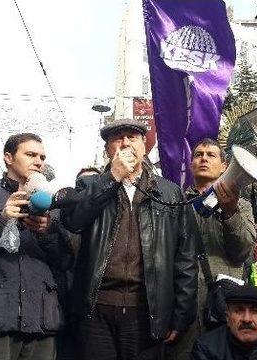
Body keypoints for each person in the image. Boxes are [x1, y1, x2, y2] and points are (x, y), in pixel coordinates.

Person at [62, 119, 198, 360]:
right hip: (96, 309)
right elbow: (74, 221)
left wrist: (180, 316)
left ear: (144, 146)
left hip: (147, 310)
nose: (125, 143)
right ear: (107, 151)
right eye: (117, 138)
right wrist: (112, 177)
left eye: (132, 137)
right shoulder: (89, 185)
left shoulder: (169, 192)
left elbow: (185, 258)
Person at [0, 133, 73, 360]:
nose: (38, 161)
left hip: (41, 323)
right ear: (8, 158)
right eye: (30, 154)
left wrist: (46, 232)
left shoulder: (50, 204)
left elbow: (65, 261)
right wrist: (0, 219)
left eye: (42, 156)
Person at [168, 138, 256, 359]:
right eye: (198, 155)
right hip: (183, 305)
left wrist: (230, 212)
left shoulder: (242, 205)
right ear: (191, 165)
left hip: (222, 306)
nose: (204, 158)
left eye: (211, 155)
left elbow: (243, 251)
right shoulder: (175, 202)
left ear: (224, 166)